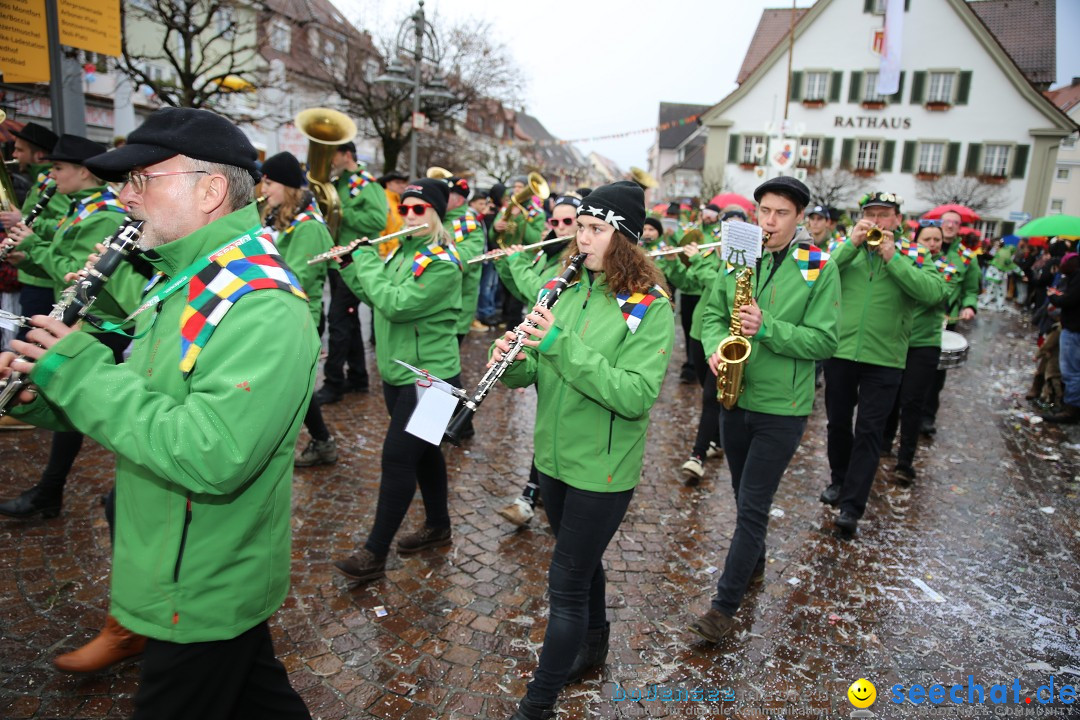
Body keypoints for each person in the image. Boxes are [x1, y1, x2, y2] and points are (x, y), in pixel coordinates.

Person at [1, 107, 315, 717]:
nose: (126, 196)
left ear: (211, 190)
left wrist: (76, 371)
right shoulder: (186, 278)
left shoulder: (260, 304)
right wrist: (52, 391)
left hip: (197, 578)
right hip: (185, 562)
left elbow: (211, 453)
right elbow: (146, 398)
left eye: (144, 179)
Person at [495, 181, 674, 719]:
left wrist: (559, 344)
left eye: (596, 230)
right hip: (553, 459)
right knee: (584, 560)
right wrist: (514, 358)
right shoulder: (565, 287)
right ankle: (595, 644)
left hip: (603, 467)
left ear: (624, 237)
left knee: (566, 582)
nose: (582, 240)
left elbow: (636, 394)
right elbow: (536, 369)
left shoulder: (647, 306)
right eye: (580, 228)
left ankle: (539, 702)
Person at [687, 177, 839, 642]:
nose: (769, 222)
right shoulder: (740, 254)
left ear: (800, 219)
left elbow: (825, 340)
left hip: (783, 406)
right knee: (741, 494)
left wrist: (766, 326)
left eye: (781, 214)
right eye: (764, 211)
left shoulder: (818, 264)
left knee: (752, 506)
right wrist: (715, 346)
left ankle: (722, 608)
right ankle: (754, 564)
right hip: (736, 397)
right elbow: (710, 315)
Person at [0, 134, 140, 519]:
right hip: (93, 319)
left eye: (59, 167)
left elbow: (73, 272)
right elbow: (66, 261)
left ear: (83, 171)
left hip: (105, 325)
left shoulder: (104, 214)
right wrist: (27, 254)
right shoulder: (83, 209)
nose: (52, 174)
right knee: (78, 403)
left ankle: (56, 491)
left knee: (87, 401)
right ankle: (55, 490)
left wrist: (35, 248)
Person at [333, 178, 463, 583]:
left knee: (397, 458)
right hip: (399, 374)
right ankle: (439, 525)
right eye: (404, 209)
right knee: (424, 454)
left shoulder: (442, 261)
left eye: (418, 209)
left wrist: (366, 260)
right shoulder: (401, 253)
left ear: (436, 213)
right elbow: (377, 297)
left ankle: (375, 553)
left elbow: (397, 304)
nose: (408, 215)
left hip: (433, 379)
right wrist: (352, 267)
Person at [820, 192, 945, 537]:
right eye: (870, 214)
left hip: (886, 358)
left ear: (897, 221)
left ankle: (851, 507)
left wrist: (893, 258)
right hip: (841, 351)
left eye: (884, 215)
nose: (877, 221)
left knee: (870, 431)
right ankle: (839, 480)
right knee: (838, 424)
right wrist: (850, 245)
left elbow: (934, 293)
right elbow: (817, 273)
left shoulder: (915, 253)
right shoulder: (844, 248)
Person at [495, 193, 581, 527]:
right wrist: (506, 262)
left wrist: (516, 263)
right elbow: (520, 292)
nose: (559, 227)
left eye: (567, 222)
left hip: (567, 348)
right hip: (545, 349)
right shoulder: (550, 252)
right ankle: (537, 490)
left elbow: (541, 295)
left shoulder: (574, 262)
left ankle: (534, 493)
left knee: (563, 423)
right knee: (549, 423)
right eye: (555, 222)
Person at [258, 152, 337, 467]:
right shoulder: (273, 214)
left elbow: (298, 280)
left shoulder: (309, 226)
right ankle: (322, 441)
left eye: (269, 181)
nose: (263, 188)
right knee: (292, 386)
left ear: (288, 186)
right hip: (274, 314)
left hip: (298, 317)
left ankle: (320, 442)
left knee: (292, 387)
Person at [882, 221, 958, 484]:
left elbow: (932, 297)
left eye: (937, 239)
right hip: (896, 339)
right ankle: (884, 444)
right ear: (917, 240)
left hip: (924, 343)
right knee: (890, 396)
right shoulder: (904, 260)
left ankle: (905, 461)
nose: (933, 244)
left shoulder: (946, 268)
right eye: (927, 238)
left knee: (912, 402)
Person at [314, 141, 386, 405]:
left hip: (356, 261)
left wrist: (341, 212)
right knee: (349, 320)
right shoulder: (337, 183)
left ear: (346, 154)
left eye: (332, 153)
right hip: (337, 260)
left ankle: (334, 382)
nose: (328, 159)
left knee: (338, 322)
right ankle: (357, 376)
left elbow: (378, 220)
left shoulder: (367, 184)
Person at [921, 209, 978, 436]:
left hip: (945, 320)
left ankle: (927, 417)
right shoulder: (918, 249)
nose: (950, 226)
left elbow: (971, 289)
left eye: (955, 223)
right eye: (947, 222)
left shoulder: (965, 256)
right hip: (916, 319)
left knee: (936, 372)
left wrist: (969, 306)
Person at [1042, 252, 1080, 423]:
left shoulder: (1077, 277)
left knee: (1071, 371)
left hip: (1073, 329)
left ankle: (1070, 409)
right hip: (1072, 327)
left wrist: (1053, 296)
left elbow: (1070, 300)